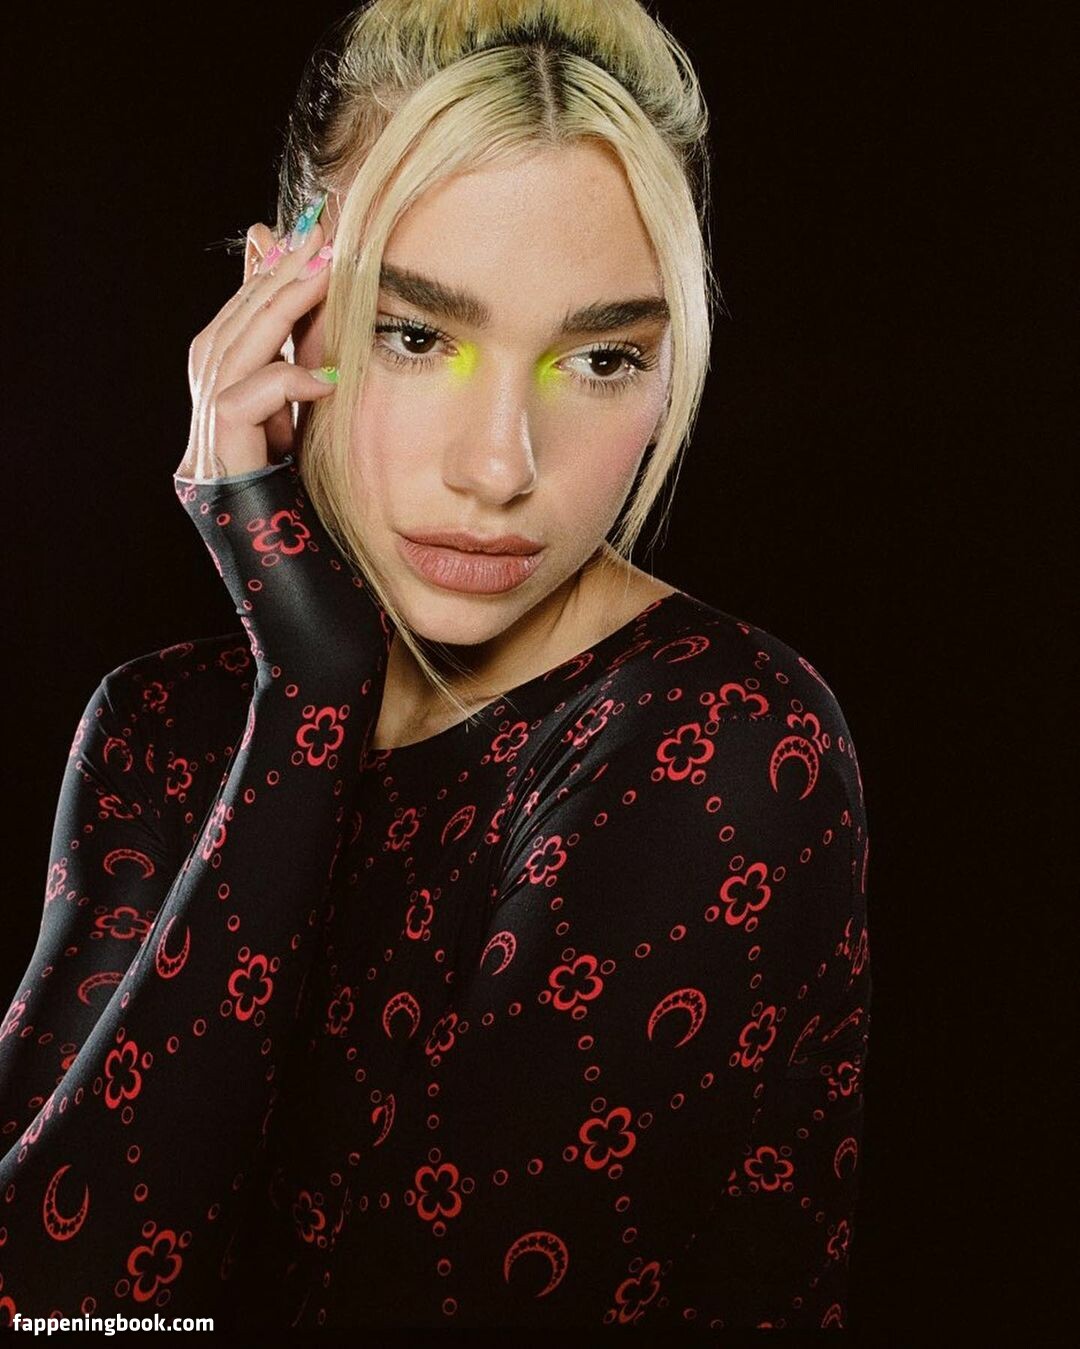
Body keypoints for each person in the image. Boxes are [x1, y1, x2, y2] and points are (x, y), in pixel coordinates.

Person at [0, 0, 871, 1331]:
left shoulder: (724, 739)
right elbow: (49, 1298)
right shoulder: (161, 725)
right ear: (279, 306)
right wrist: (309, 693)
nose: (498, 466)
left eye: (600, 358)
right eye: (417, 335)